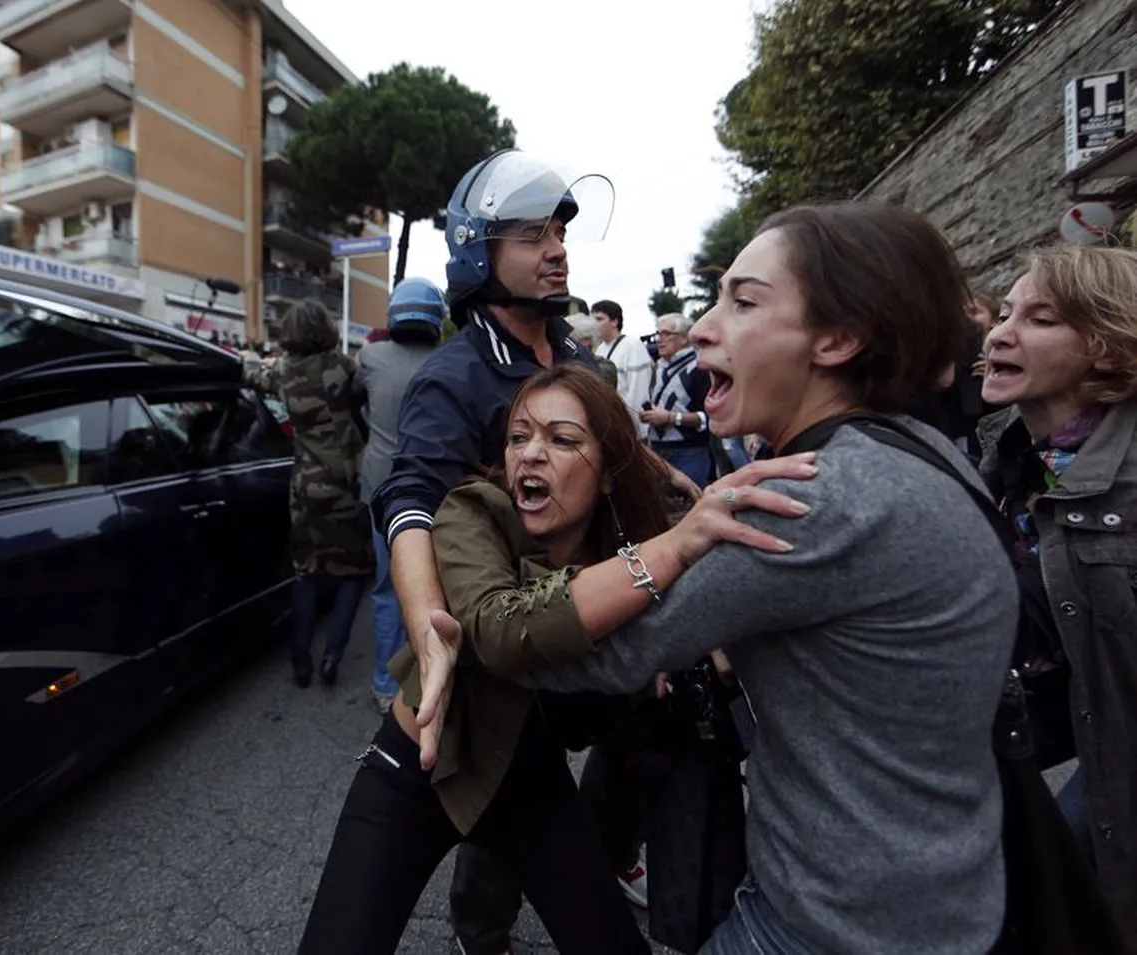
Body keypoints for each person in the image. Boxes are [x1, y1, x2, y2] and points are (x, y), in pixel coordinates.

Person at [413, 201, 1019, 955]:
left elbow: (600, 648)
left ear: (838, 338)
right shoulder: (913, 450)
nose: (700, 327)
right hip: (941, 894)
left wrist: (461, 627)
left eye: (742, 301)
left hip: (835, 924)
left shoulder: (809, 499)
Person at [298, 362, 815, 954]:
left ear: (609, 475)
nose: (530, 455)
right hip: (420, 768)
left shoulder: (621, 546)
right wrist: (673, 548)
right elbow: (500, 629)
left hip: (528, 777)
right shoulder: (474, 511)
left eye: (562, 439)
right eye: (519, 437)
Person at [978, 244, 1137, 951]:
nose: (1000, 331)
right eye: (1004, 311)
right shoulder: (1016, 453)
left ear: (1106, 349)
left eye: (1038, 318)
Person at [243, 300, 371, 687]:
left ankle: (300, 661)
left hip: (305, 487)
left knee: (306, 573)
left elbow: (250, 374)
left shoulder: (283, 372)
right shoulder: (345, 368)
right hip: (346, 483)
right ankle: (333, 654)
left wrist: (249, 358)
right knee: (352, 573)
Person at [358, 278, 444, 712]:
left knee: (388, 587)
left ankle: (385, 683)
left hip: (379, 488)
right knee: (439, 584)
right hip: (434, 490)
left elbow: (356, 407)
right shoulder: (447, 360)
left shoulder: (370, 356)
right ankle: (435, 672)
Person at [643, 312, 715, 487]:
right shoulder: (658, 366)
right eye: (658, 334)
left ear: (684, 338)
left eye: (666, 334)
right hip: (658, 452)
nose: (659, 339)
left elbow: (710, 417)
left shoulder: (700, 367)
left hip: (690, 452)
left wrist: (670, 417)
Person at [593, 299, 654, 423]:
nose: (594, 324)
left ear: (615, 321)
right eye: (593, 319)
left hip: (629, 425)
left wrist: (632, 427)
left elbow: (638, 391)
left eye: (599, 319)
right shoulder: (600, 349)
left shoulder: (632, 345)